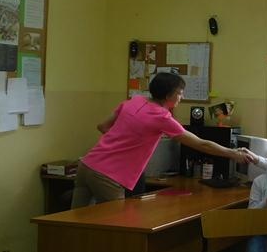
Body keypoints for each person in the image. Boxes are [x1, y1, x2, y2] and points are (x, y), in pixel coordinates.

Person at [71, 72, 253, 208]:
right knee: (115, 230)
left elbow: (102, 126)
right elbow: (201, 144)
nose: (182, 97)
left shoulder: (134, 101)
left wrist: (127, 139)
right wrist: (233, 153)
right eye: (180, 93)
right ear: (168, 96)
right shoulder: (162, 117)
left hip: (87, 165)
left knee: (75, 222)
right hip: (109, 176)